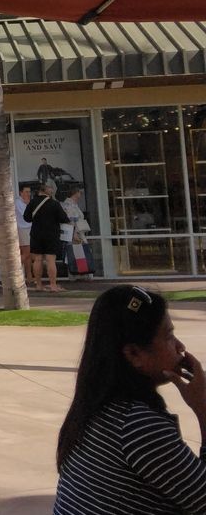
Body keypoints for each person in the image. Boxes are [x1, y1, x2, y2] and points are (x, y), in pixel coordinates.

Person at [54, 286, 206, 513]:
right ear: (134, 354)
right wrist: (203, 409)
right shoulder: (137, 426)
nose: (180, 347)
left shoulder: (96, 408)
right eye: (169, 336)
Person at [25, 181, 68, 292]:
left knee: (37, 260)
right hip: (51, 234)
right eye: (50, 188)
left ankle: (38, 285)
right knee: (50, 260)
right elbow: (64, 218)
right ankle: (53, 285)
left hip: (36, 234)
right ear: (45, 189)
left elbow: (27, 218)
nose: (52, 190)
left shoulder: (32, 202)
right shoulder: (54, 203)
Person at [63, 188, 95, 280]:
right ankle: (77, 273)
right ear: (75, 193)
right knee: (76, 252)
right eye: (79, 193)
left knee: (79, 253)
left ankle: (81, 273)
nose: (80, 195)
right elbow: (71, 220)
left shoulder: (73, 204)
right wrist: (74, 233)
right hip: (75, 232)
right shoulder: (69, 205)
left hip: (77, 232)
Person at [15, 185, 33, 288]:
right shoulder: (18, 202)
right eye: (26, 192)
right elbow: (27, 215)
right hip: (23, 229)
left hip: (29, 229)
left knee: (28, 256)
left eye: (29, 192)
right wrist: (28, 204)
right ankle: (12, 272)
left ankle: (29, 277)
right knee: (26, 254)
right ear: (21, 193)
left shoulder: (26, 202)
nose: (28, 194)